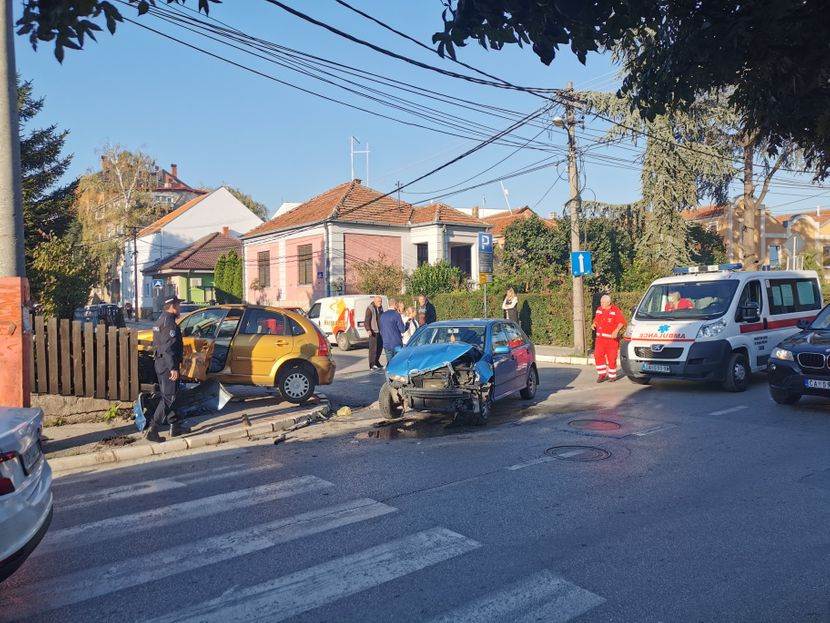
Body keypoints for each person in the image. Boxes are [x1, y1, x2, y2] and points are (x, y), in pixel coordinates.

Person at [145, 296, 191, 442]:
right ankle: (153, 428)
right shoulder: (169, 323)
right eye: (178, 304)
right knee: (168, 397)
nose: (180, 307)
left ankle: (175, 426)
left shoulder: (160, 320)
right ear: (172, 306)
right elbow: (168, 348)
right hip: (167, 366)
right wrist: (173, 368)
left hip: (160, 363)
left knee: (171, 395)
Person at [591, 294, 626, 383]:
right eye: (601, 302)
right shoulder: (599, 309)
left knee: (611, 358)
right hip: (600, 339)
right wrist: (594, 324)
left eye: (603, 302)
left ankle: (612, 375)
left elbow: (621, 322)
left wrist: (616, 331)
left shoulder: (615, 310)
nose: (601, 304)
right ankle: (602, 375)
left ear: (608, 302)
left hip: (611, 340)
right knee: (598, 356)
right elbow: (596, 319)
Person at [380, 297, 409, 364]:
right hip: (396, 343)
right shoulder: (396, 314)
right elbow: (402, 329)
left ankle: (390, 374)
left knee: (390, 363)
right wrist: (408, 323)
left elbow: (381, 330)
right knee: (398, 363)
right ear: (395, 304)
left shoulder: (382, 315)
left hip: (386, 343)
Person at [364, 295, 384, 370]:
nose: (380, 303)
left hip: (380, 330)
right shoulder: (370, 308)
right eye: (379, 301)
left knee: (379, 347)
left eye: (381, 301)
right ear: (375, 301)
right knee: (373, 348)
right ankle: (372, 364)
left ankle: (376, 362)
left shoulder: (380, 308)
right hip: (373, 331)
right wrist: (368, 329)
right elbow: (366, 320)